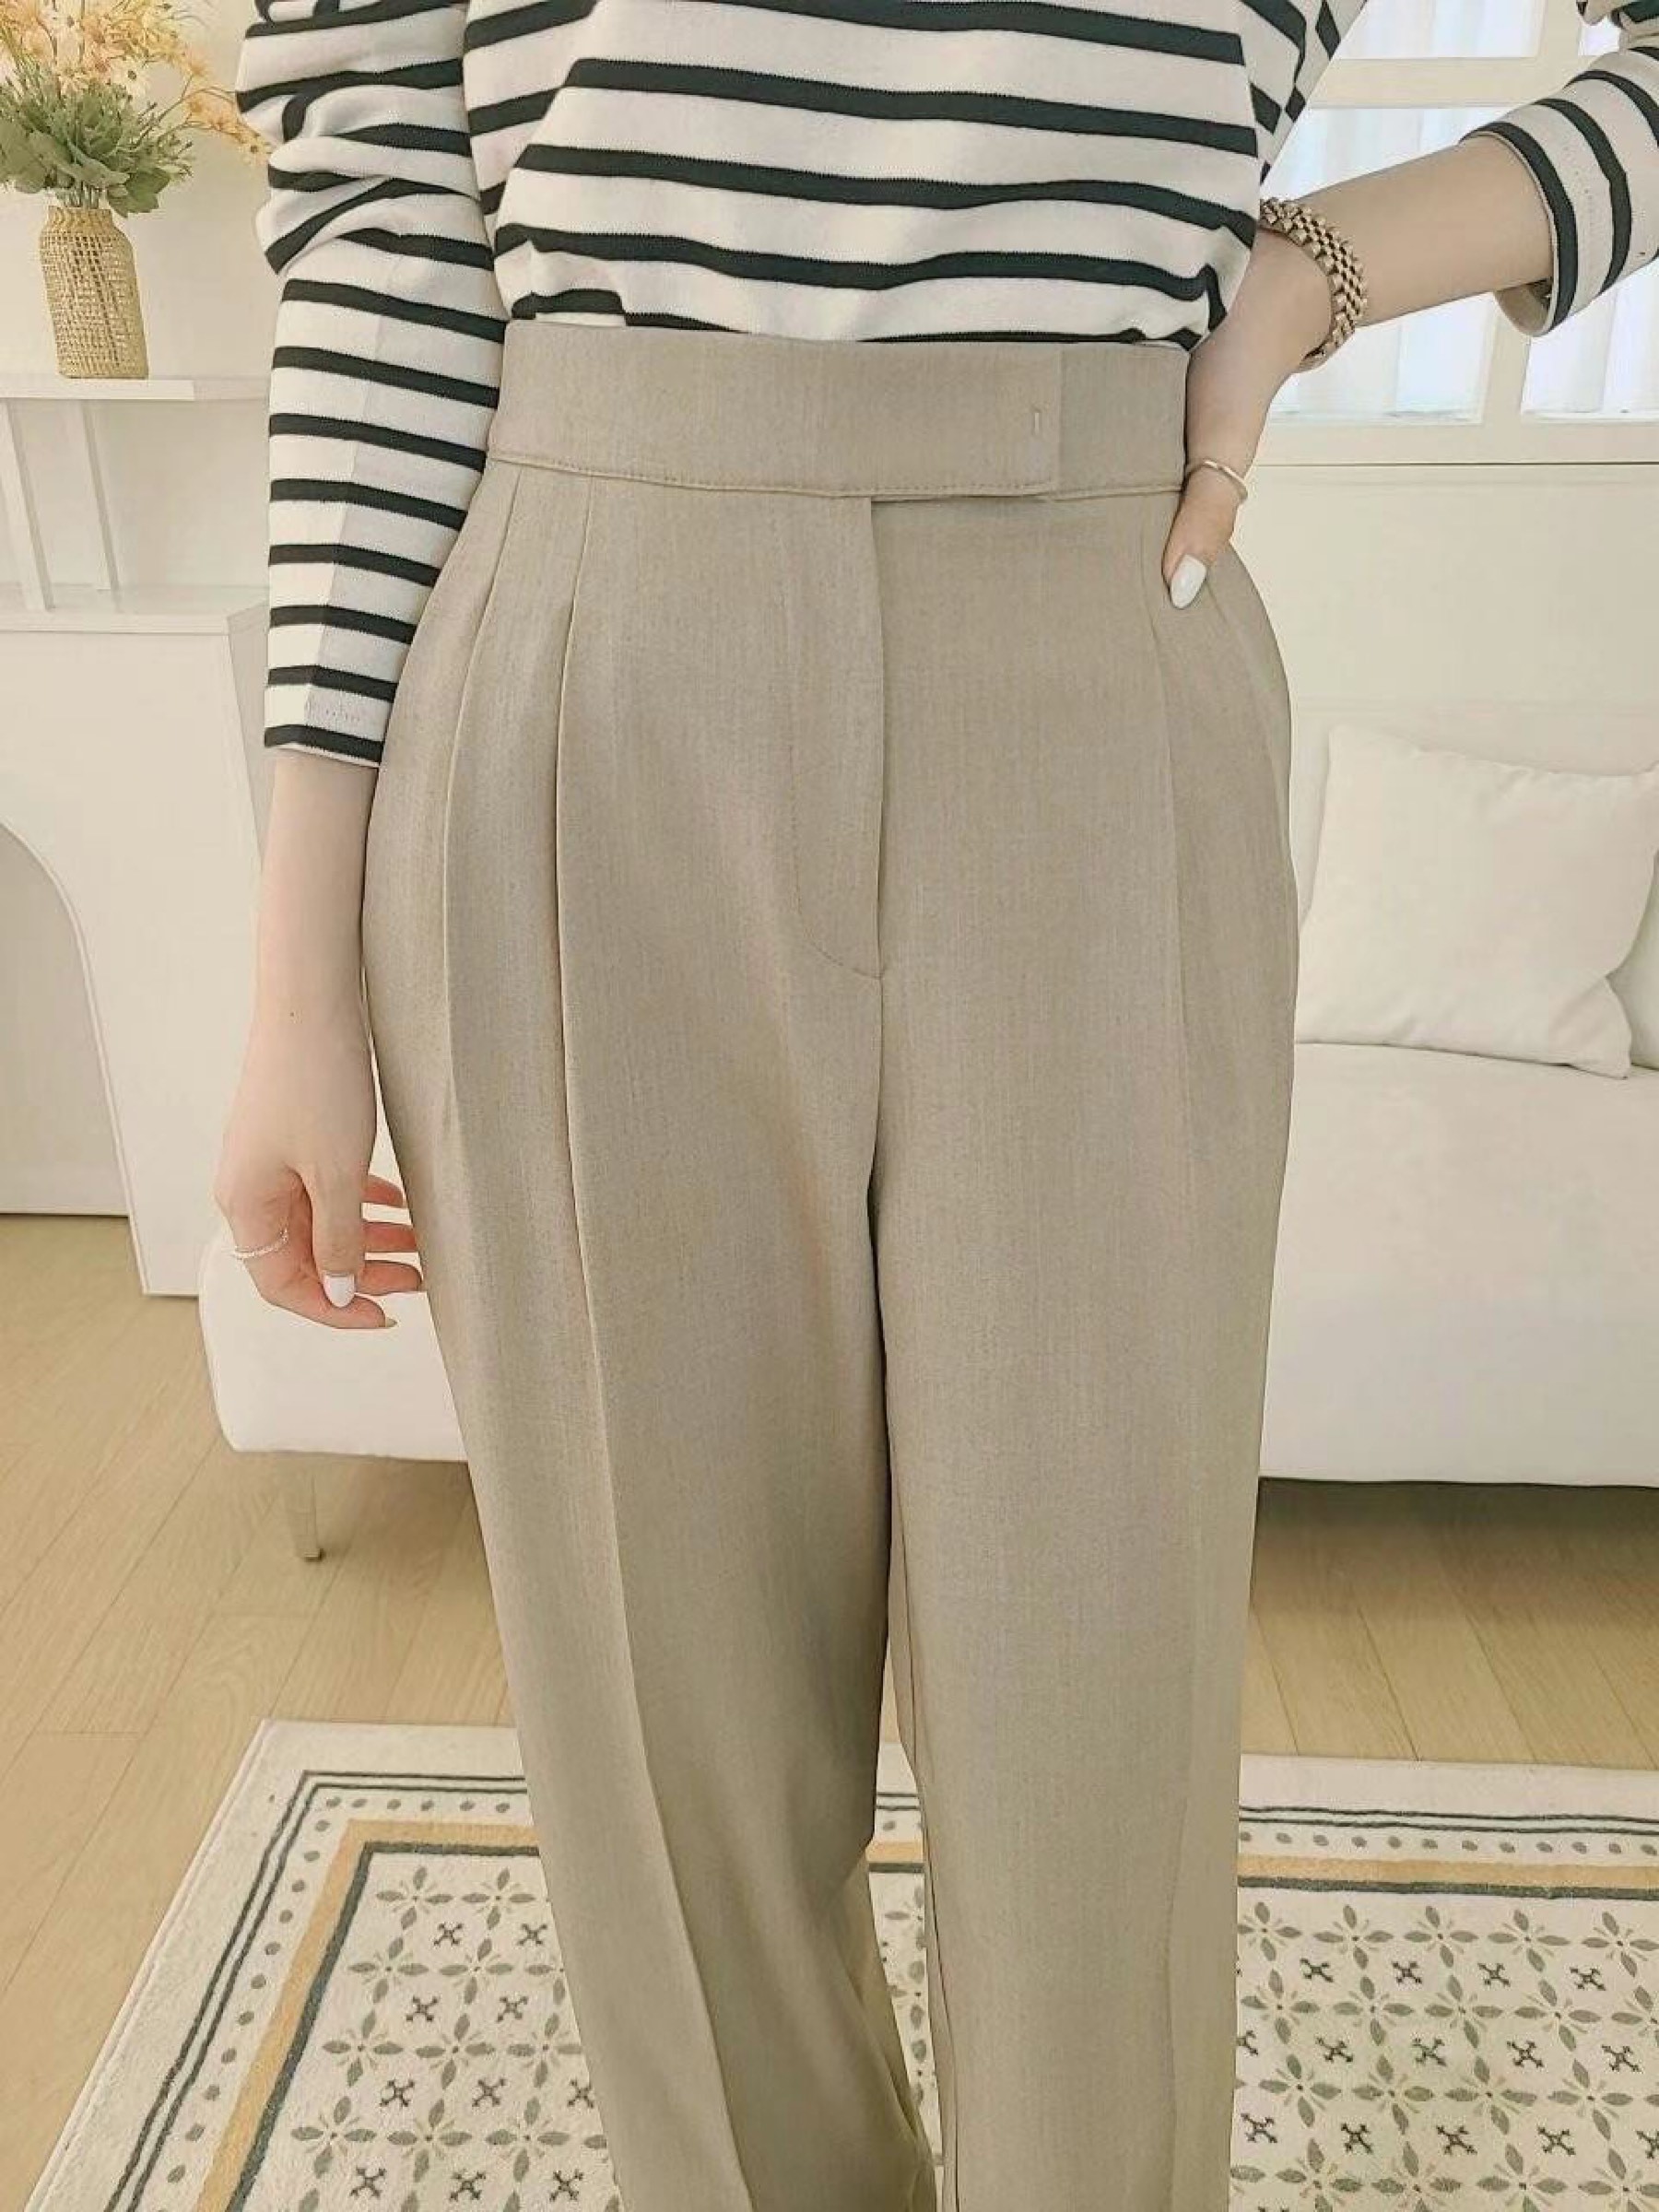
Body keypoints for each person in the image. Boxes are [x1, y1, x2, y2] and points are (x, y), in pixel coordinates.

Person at [215, 5, 1659, 2206]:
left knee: (1095, 1724)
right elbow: (386, 239)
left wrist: (1316, 273)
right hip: (587, 664)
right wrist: (295, 970)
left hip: (1100, 626)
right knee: (665, 1750)